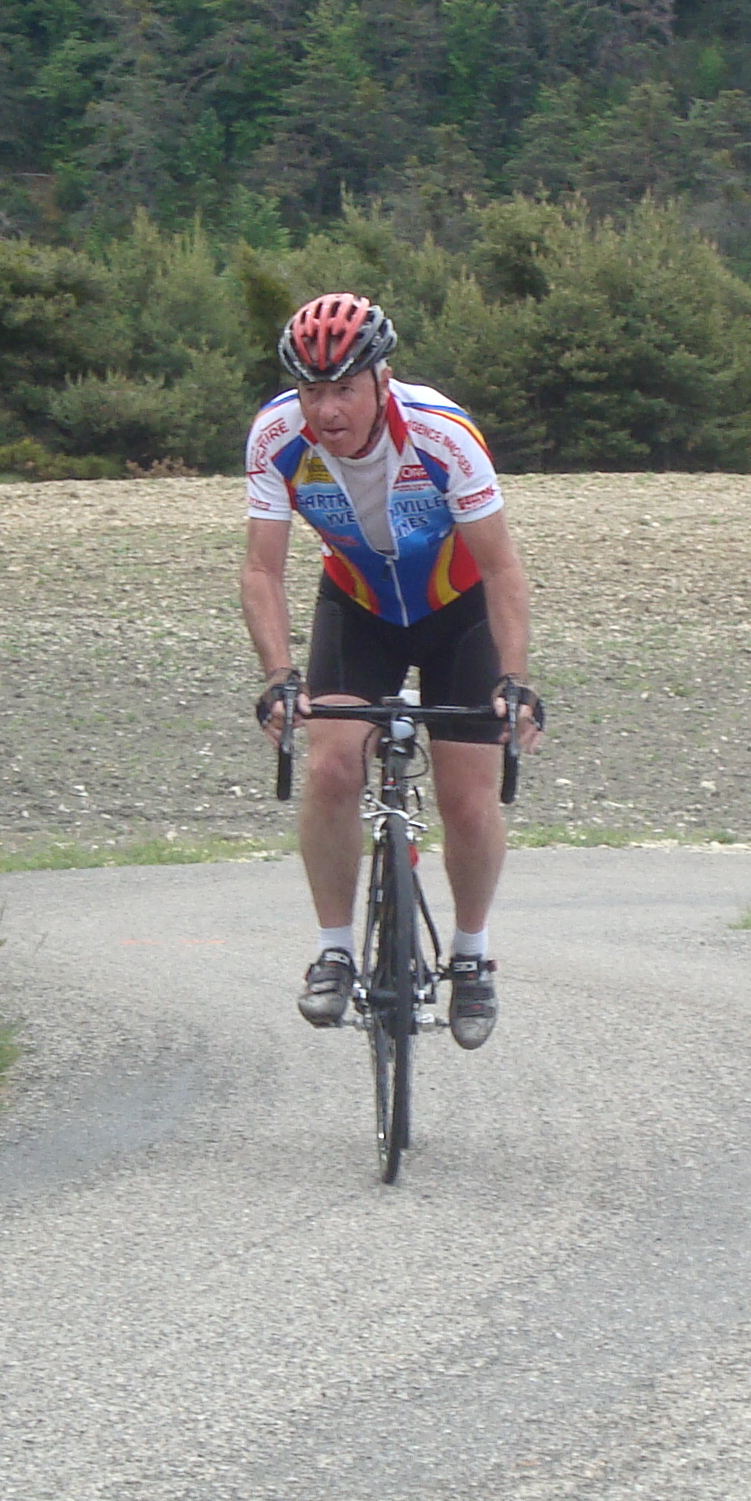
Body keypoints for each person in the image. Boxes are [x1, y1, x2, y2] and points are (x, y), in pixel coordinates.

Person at [242, 293, 542, 1049]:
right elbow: (261, 570)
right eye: (312, 391)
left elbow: (502, 568)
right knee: (331, 766)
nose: (327, 410)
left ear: (383, 380)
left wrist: (513, 681)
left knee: (467, 798)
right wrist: (279, 675)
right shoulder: (277, 437)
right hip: (359, 610)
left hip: (457, 612)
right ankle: (334, 950)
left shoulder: (443, 435)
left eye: (344, 389)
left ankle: (471, 957)